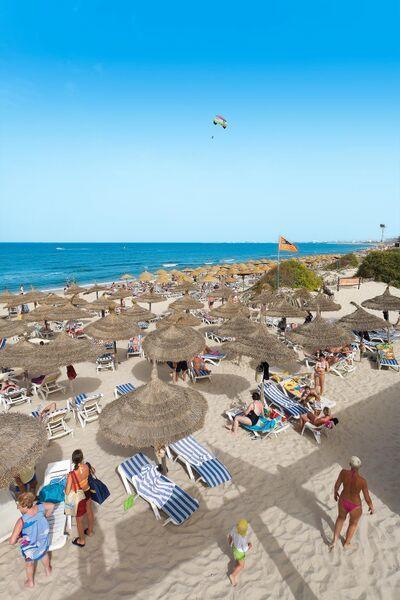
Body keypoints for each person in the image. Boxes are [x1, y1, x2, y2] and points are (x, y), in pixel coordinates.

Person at [9, 492, 55, 588]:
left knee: (29, 563)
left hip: (30, 546)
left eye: (19, 506)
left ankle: (30, 582)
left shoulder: (22, 521)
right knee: (44, 554)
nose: (18, 508)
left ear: (24, 506)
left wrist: (18, 538)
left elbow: (11, 541)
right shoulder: (40, 507)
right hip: (41, 540)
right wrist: (45, 516)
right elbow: (52, 505)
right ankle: (48, 570)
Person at [330, 456, 374, 550]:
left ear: (350, 464)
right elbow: (367, 498)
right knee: (353, 523)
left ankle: (334, 540)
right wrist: (371, 506)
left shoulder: (343, 473)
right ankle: (347, 543)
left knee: (340, 518)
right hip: (355, 506)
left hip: (343, 500)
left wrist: (335, 492)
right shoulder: (362, 481)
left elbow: (337, 485)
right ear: (359, 467)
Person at [65, 449, 95, 547]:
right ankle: (90, 531)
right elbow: (93, 471)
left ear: (73, 460)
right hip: (87, 491)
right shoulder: (87, 466)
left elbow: (67, 491)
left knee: (79, 520)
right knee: (89, 511)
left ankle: (81, 540)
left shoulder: (72, 474)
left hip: (79, 497)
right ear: (82, 458)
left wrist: (68, 479)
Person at [228, 519, 252, 586]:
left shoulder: (234, 528)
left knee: (237, 559)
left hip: (234, 547)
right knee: (241, 566)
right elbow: (245, 549)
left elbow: (230, 536)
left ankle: (236, 565)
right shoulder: (243, 538)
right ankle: (233, 575)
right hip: (239, 552)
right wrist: (249, 546)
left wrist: (229, 542)